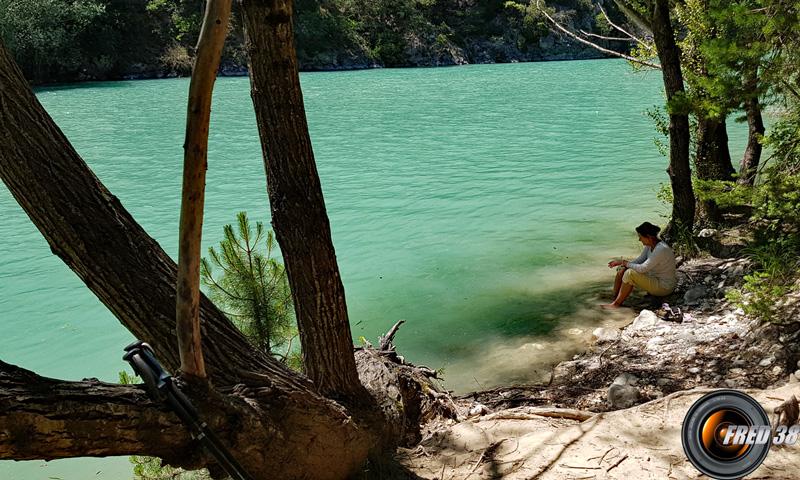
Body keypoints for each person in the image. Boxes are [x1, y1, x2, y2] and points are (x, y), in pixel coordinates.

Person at [601, 222, 677, 308]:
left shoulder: (661, 249)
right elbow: (639, 261)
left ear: (649, 237)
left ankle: (616, 304)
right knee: (622, 269)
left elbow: (642, 268)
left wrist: (624, 262)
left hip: (664, 287)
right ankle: (615, 296)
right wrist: (624, 265)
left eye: (640, 237)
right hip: (655, 279)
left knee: (629, 273)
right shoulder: (650, 245)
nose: (639, 240)